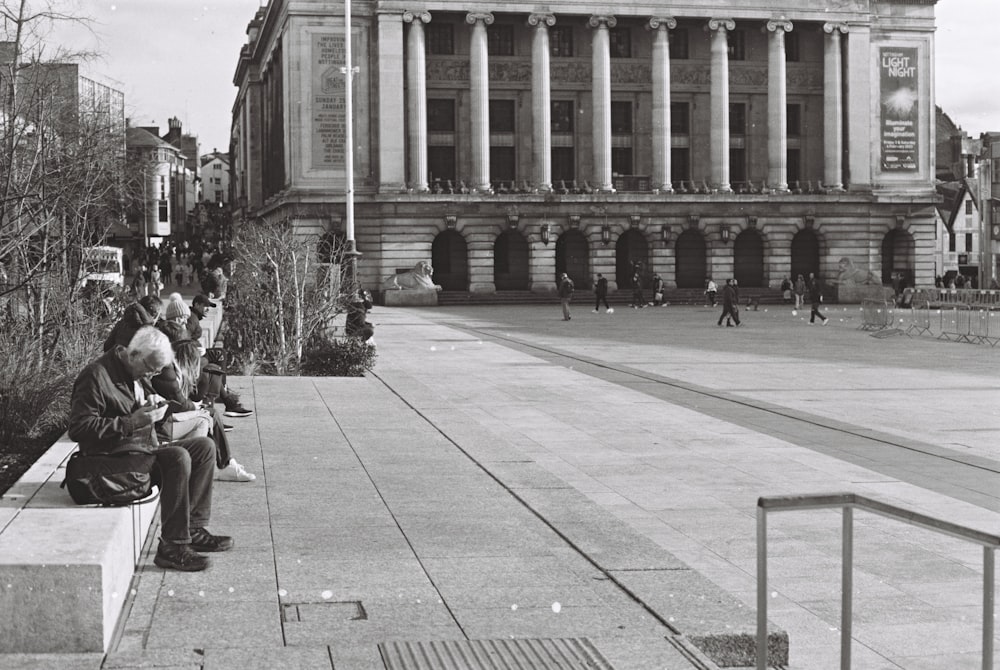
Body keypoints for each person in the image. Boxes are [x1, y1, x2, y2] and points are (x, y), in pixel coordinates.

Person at [68, 326, 233, 572]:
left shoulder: (135, 370)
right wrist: (132, 421)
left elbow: (141, 406)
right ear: (133, 355)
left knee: (205, 447)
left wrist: (154, 405)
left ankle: (193, 528)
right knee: (178, 457)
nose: (152, 375)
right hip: (108, 460)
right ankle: (172, 547)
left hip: (137, 451)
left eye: (156, 370)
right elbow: (79, 429)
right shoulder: (95, 376)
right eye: (150, 369)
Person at [151, 339, 256, 483]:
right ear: (189, 360)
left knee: (209, 414)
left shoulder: (174, 371)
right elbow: (180, 402)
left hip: (167, 419)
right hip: (162, 425)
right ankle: (216, 466)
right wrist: (197, 408)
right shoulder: (167, 373)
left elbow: (186, 399)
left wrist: (204, 387)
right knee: (207, 416)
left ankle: (224, 464)